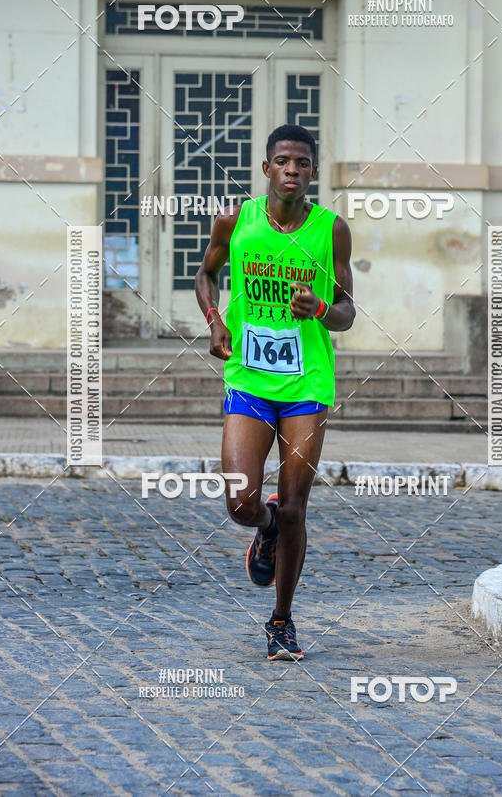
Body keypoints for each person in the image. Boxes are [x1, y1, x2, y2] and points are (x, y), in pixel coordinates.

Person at [195, 124, 355, 660]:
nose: (292, 170)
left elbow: (348, 312)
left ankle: (282, 620)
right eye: (283, 161)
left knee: (294, 508)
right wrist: (215, 321)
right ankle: (260, 529)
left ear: (312, 172)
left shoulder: (331, 231)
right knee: (241, 501)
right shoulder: (234, 222)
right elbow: (205, 275)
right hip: (249, 381)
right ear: (266, 169)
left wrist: (323, 310)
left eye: (302, 163)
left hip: (307, 384)